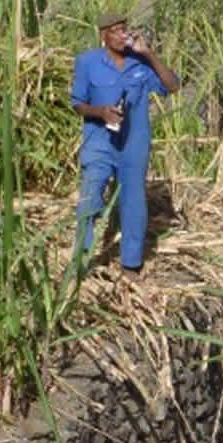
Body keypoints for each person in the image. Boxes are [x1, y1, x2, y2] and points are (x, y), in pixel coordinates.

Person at [70, 13, 180, 281]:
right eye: (115, 31)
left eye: (124, 30)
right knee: (90, 198)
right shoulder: (88, 62)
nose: (122, 35)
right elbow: (77, 104)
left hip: (134, 143)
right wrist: (100, 112)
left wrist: (149, 53)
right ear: (103, 36)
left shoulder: (140, 62)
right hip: (99, 142)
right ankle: (81, 261)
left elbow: (173, 86)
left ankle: (131, 264)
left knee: (133, 201)